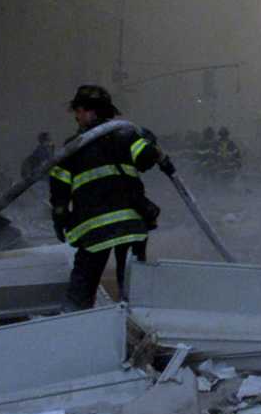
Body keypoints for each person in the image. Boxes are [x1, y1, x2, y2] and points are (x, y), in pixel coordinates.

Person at [49, 85, 174, 309]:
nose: (76, 116)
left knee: (80, 297)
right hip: (130, 227)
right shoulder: (125, 136)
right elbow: (146, 159)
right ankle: (134, 330)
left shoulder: (72, 148)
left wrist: (59, 216)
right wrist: (148, 142)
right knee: (135, 295)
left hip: (94, 230)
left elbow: (59, 188)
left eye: (78, 110)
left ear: (92, 112)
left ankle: (77, 331)